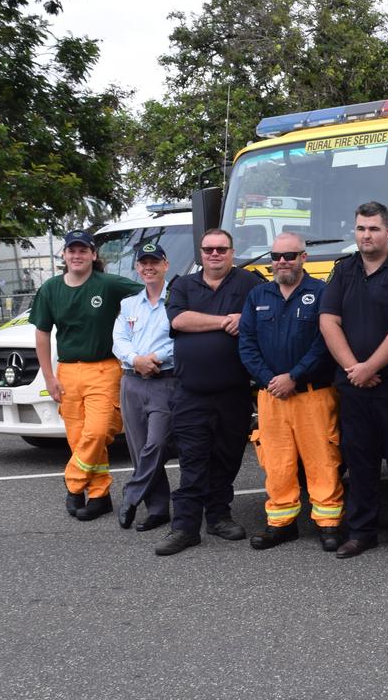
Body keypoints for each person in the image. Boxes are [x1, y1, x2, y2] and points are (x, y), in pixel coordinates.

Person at [319, 201, 388, 561]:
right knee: (359, 459)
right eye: (361, 228)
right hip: (354, 386)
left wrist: (371, 367)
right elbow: (328, 321)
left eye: (374, 229)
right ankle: (362, 531)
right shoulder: (343, 270)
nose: (367, 235)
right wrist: (355, 368)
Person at [155, 229, 264, 556]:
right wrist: (225, 321)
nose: (214, 254)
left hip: (234, 393)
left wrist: (244, 318)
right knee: (193, 459)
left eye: (221, 249)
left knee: (227, 457)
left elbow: (266, 313)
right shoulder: (184, 286)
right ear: (200, 253)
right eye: (208, 249)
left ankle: (218, 516)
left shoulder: (250, 284)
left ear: (232, 251)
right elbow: (180, 320)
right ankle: (185, 527)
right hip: (191, 393)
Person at [239, 232, 344, 552]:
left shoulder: (323, 291)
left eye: (289, 256)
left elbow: (325, 343)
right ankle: (281, 524)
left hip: (312, 394)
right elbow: (246, 343)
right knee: (277, 462)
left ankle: (329, 524)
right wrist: (270, 379)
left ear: (303, 258)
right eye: (276, 256)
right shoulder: (258, 295)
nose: (282, 262)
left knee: (322, 460)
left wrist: (294, 377)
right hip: (271, 396)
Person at [32, 230, 142, 520]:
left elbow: (148, 294)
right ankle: (98, 495)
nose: (77, 255)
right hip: (66, 372)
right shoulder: (50, 289)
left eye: (83, 250)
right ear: (64, 255)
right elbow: (42, 334)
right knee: (79, 437)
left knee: (97, 431)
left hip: (104, 369)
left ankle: (73, 482)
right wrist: (49, 378)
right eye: (72, 250)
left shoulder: (108, 284)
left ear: (94, 255)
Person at [112, 243, 175, 533]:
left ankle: (132, 493)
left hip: (164, 380)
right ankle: (158, 510)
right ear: (137, 268)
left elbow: (179, 340)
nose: (148, 267)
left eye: (154, 262)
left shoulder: (176, 300)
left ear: (165, 265)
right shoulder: (129, 304)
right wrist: (135, 360)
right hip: (132, 381)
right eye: (143, 263)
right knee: (139, 449)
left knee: (157, 443)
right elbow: (119, 339)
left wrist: (156, 359)